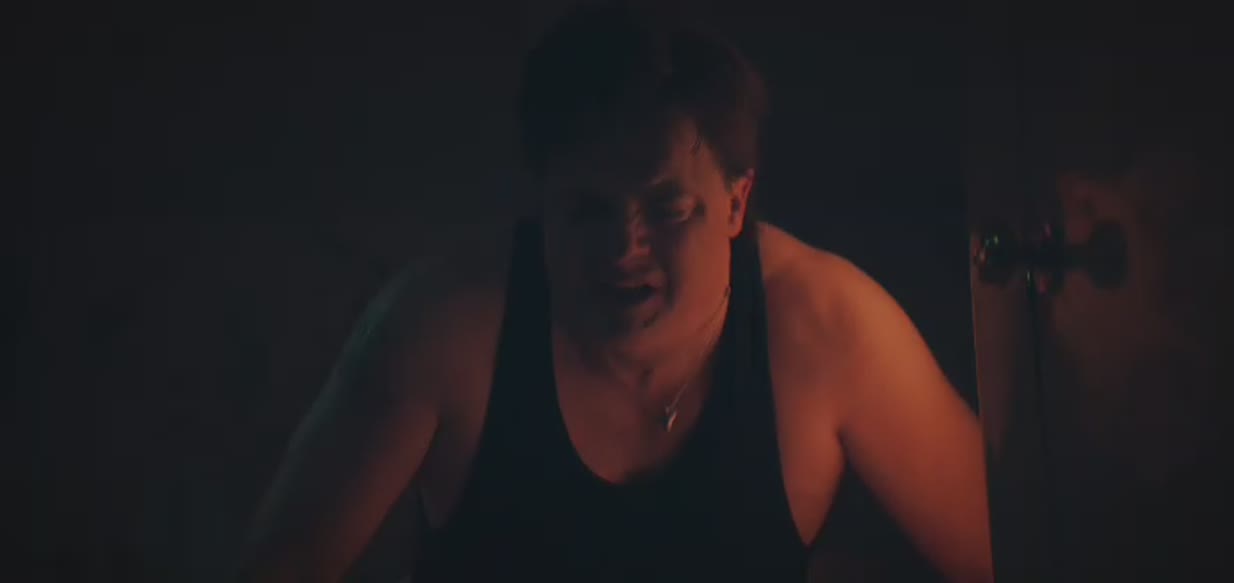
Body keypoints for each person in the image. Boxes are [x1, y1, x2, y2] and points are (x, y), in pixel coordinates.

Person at [235, 3, 993, 582]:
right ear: (542, 202)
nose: (623, 249)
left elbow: (1019, 554)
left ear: (735, 201)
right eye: (587, 210)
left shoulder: (828, 327)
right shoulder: (444, 326)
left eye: (667, 209)